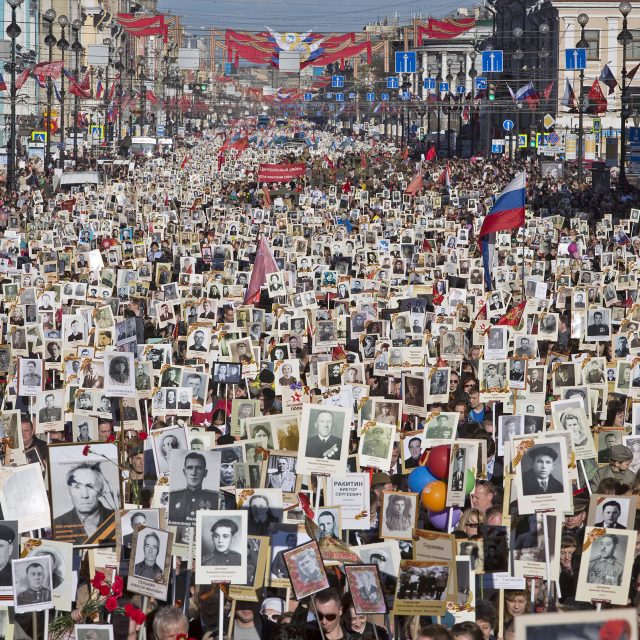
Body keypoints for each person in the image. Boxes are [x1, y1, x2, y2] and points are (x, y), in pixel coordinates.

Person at [54, 463, 114, 539]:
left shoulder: (117, 519)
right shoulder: (57, 524)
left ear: (101, 491)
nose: (84, 495)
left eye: (90, 487)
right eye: (77, 487)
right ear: (69, 492)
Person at [169, 452, 217, 524]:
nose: (193, 473)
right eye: (190, 468)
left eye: (198, 468)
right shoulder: (172, 498)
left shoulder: (215, 499)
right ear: (184, 472)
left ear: (205, 473)